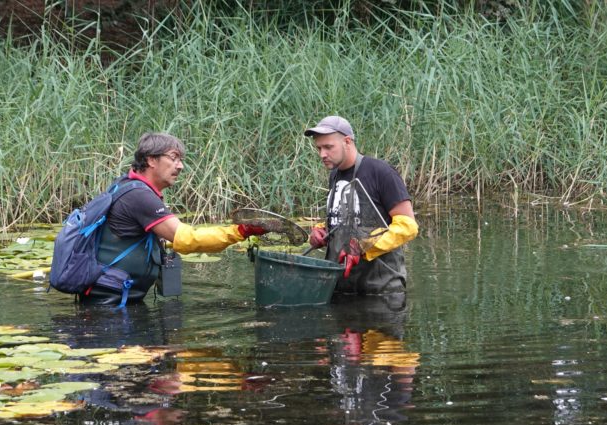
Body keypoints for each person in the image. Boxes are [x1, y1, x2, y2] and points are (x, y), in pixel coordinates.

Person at [86, 132, 266, 304]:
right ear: (151, 160)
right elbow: (188, 239)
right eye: (173, 158)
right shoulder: (139, 195)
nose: (180, 166)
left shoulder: (125, 184)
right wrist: (242, 230)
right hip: (110, 305)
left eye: (181, 160)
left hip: (109, 296)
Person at [304, 116, 418, 295]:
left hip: (381, 293)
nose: (322, 154)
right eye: (319, 148)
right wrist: (321, 232)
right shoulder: (334, 175)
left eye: (328, 147)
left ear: (347, 142)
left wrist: (362, 246)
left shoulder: (381, 172)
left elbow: (408, 226)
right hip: (341, 289)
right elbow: (342, 219)